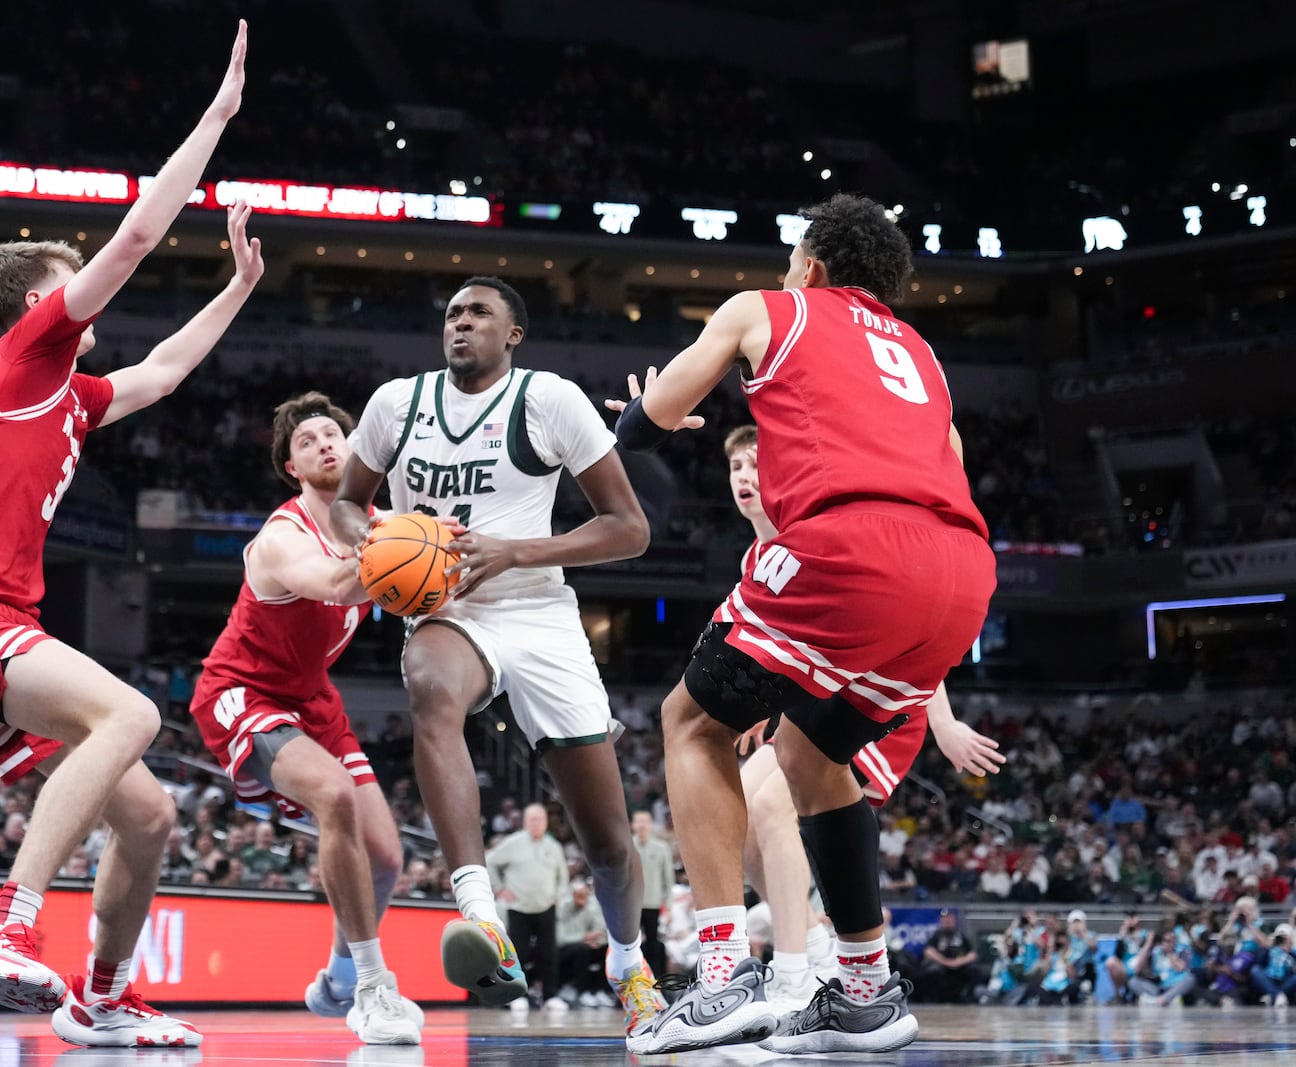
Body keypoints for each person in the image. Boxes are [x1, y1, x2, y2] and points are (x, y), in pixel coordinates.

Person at [0, 22, 261, 1049]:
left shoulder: (72, 395)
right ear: (46, 301)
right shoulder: (21, 353)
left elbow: (166, 376)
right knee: (132, 714)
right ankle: (5, 927)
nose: (89, 284)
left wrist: (234, 292)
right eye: (72, 276)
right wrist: (217, 118)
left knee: (150, 818)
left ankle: (97, 995)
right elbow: (133, 239)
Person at [613, 193, 996, 1055]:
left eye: (792, 259)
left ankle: (719, 981)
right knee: (815, 753)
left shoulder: (768, 309)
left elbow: (660, 414)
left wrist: (632, 418)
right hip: (961, 566)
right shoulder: (925, 357)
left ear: (814, 267)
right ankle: (865, 991)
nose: (786, 271)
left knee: (690, 722)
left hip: (849, 547)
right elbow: (955, 461)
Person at [332, 276, 664, 1035]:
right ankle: (481, 915)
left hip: (539, 609)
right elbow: (349, 499)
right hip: (446, 604)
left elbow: (628, 527)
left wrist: (515, 551)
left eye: (480, 313)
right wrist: (373, 538)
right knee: (429, 689)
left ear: (513, 334)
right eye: (452, 312)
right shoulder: (395, 403)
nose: (461, 323)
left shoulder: (549, 399)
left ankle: (627, 958)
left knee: (608, 838)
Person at [187, 392, 420, 1046]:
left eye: (333, 433)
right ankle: (375, 987)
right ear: (291, 466)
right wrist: (408, 543)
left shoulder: (375, 517)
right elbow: (340, 583)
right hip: (243, 688)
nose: (324, 442)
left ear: (351, 450)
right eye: (307, 440)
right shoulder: (282, 536)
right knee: (333, 794)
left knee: (387, 858)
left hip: (312, 697)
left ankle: (340, 976)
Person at [487, 804, 571, 1012]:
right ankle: (516, 995)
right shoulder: (513, 843)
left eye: (540, 819)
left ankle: (550, 996)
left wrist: (558, 896)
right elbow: (490, 861)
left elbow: (563, 877)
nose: (536, 823)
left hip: (546, 906)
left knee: (548, 953)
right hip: (518, 906)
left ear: (546, 822)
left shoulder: (554, 847)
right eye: (532, 819)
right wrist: (500, 889)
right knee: (517, 953)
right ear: (525, 821)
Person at [557, 877, 614, 1007]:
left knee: (607, 948)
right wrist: (584, 937)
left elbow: (600, 931)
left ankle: (601, 991)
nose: (583, 901)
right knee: (581, 950)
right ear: (572, 896)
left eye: (585, 896)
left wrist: (597, 942)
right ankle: (580, 991)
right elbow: (559, 938)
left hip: (585, 946)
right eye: (579, 897)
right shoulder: (562, 908)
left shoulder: (592, 906)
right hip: (562, 949)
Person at [631, 810, 675, 977]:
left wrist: (668, 906)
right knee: (630, 946)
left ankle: (655, 982)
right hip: (631, 905)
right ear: (632, 825)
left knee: (653, 944)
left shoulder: (661, 848)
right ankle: (632, 982)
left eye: (645, 822)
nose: (642, 825)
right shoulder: (628, 847)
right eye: (638, 821)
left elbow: (668, 880)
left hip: (653, 903)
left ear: (651, 825)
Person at [917, 909, 985, 1004]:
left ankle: (973, 997)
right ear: (941, 921)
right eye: (945, 920)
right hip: (942, 965)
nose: (948, 922)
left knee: (975, 969)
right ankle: (933, 999)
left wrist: (959, 962)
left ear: (954, 920)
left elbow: (973, 954)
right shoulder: (937, 935)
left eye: (949, 919)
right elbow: (928, 951)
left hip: (960, 965)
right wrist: (945, 961)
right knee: (932, 971)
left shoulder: (960, 935)